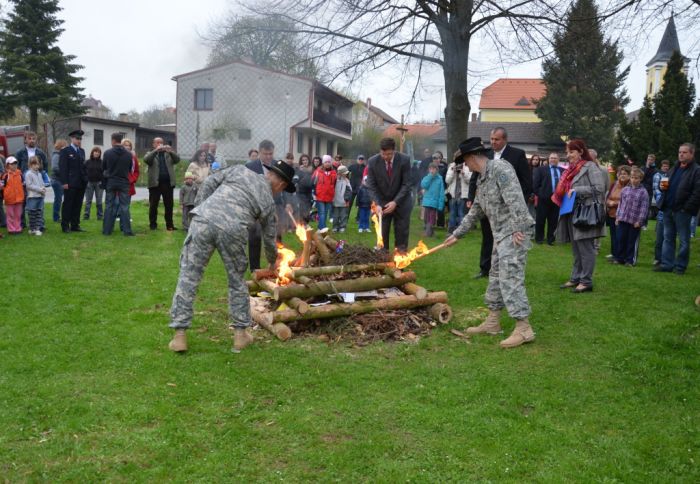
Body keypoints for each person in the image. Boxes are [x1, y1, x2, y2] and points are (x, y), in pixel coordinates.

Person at [168, 160, 295, 354]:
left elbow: (210, 182)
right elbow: (269, 238)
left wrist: (201, 208)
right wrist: (272, 263)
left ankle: (179, 336)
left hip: (202, 222)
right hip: (233, 231)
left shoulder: (239, 170)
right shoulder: (268, 202)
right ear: (281, 184)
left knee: (189, 276)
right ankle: (240, 336)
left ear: (270, 174)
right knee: (236, 282)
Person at [444, 137, 535, 349]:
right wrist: (457, 234)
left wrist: (518, 228)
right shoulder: (483, 179)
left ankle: (524, 328)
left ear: (472, 157)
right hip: (500, 235)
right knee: (495, 276)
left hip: (514, 233)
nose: (465, 166)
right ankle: (493, 322)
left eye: (465, 161)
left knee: (510, 277)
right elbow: (476, 210)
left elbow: (516, 199)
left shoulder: (500, 169)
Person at [467, 127, 531, 278]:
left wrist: (517, 205)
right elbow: (474, 178)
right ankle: (485, 268)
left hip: (507, 207)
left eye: (497, 139)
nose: (493, 142)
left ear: (505, 140)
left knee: (505, 239)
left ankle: (505, 269)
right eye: (492, 139)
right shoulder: (486, 154)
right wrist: (471, 198)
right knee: (487, 236)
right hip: (487, 205)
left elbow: (526, 182)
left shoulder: (517, 155)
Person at [553, 139, 606, 293]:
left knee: (586, 248)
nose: (568, 155)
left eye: (571, 152)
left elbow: (599, 188)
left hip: (586, 213)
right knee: (576, 249)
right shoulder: (570, 169)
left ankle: (586, 281)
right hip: (572, 211)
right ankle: (576, 278)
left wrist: (578, 190)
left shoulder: (590, 167)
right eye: (567, 152)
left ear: (581, 152)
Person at [245, 139, 292, 267]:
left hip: (275, 206)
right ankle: (255, 268)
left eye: (271, 154)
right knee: (254, 237)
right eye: (265, 154)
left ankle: (277, 265)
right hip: (256, 208)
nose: (268, 157)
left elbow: (286, 186)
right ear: (259, 152)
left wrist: (287, 203)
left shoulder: (279, 165)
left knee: (276, 236)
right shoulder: (250, 167)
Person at [654, 143, 700, 275]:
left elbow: (697, 193)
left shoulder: (696, 170)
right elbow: (664, 181)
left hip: (682, 211)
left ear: (692, 154)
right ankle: (667, 265)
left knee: (684, 240)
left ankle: (680, 266)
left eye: (684, 152)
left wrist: (686, 208)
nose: (681, 154)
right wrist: (662, 186)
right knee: (668, 238)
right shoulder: (674, 168)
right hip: (668, 208)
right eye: (680, 152)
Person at [365, 137, 413, 252]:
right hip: (382, 202)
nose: (386, 157)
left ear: (394, 150)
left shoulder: (404, 160)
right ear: (380, 151)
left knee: (401, 232)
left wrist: (395, 202)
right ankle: (383, 258)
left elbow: (407, 184)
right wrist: (377, 204)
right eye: (383, 154)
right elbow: (371, 185)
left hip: (401, 203)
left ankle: (400, 259)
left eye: (389, 154)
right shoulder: (372, 162)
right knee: (382, 232)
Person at [612, 166, 649, 266]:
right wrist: (618, 217)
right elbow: (621, 204)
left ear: (640, 179)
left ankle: (630, 260)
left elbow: (644, 208)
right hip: (623, 218)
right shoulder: (625, 190)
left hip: (634, 221)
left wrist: (640, 221)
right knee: (621, 239)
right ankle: (620, 258)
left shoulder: (643, 192)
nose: (633, 180)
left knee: (631, 241)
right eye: (632, 177)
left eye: (636, 178)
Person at [143, 137, 181, 231]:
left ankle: (170, 225)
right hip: (155, 184)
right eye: (158, 142)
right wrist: (156, 151)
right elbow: (147, 160)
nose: (160, 144)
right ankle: (153, 225)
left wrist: (170, 151)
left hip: (168, 183)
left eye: (161, 142)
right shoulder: (150, 153)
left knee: (169, 205)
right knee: (153, 205)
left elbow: (177, 160)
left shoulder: (168, 154)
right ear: (154, 144)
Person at [102, 133, 134, 236]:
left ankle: (107, 230)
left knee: (109, 206)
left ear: (113, 140)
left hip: (111, 181)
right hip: (124, 182)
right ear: (121, 140)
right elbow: (130, 169)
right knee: (125, 207)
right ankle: (127, 231)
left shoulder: (107, 153)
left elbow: (104, 168)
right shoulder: (129, 154)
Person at [59, 130, 88, 233]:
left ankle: (75, 225)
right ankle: (65, 225)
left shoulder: (82, 151)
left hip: (81, 182)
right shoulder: (65, 151)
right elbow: (63, 168)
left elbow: (83, 167)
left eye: (80, 139)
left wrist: (86, 178)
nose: (79, 140)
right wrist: (64, 182)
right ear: (72, 138)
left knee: (78, 204)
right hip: (70, 182)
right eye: (77, 138)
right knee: (68, 204)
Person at [532, 152, 564, 245]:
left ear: (558, 160)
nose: (553, 159)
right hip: (544, 199)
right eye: (551, 158)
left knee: (553, 221)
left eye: (555, 158)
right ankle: (539, 239)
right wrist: (541, 195)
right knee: (540, 220)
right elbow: (535, 185)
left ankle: (551, 239)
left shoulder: (562, 171)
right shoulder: (541, 170)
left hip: (557, 200)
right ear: (548, 159)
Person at [605, 166, 631, 259]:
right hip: (612, 214)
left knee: (621, 236)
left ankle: (621, 256)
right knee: (613, 235)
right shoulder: (614, 184)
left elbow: (628, 201)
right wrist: (608, 202)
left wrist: (614, 203)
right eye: (620, 173)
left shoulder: (630, 186)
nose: (622, 175)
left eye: (625, 174)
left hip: (624, 215)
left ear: (629, 175)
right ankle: (614, 253)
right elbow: (608, 197)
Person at [445, 153, 471, 234]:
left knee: (461, 213)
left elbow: (470, 180)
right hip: (453, 194)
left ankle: (461, 232)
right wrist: (453, 171)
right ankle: (451, 230)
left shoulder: (467, 166)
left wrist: (463, 173)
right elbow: (447, 180)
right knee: (452, 213)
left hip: (463, 195)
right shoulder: (452, 166)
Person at [652, 160, 671, 265]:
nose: (666, 168)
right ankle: (658, 258)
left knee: (668, 238)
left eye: (667, 166)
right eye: (664, 166)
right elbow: (659, 191)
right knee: (660, 238)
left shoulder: (668, 177)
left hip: (670, 212)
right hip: (662, 211)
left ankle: (666, 259)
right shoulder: (662, 177)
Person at [312, 155, 336, 230]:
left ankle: (321, 226)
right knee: (321, 213)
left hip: (329, 196)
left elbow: (335, 184)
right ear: (323, 163)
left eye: (329, 162)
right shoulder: (318, 172)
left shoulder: (334, 173)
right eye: (326, 162)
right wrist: (314, 192)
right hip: (320, 196)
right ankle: (322, 228)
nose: (327, 163)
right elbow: (313, 182)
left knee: (325, 213)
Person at [421, 163, 445, 237]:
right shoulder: (426, 177)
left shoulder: (440, 179)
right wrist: (430, 177)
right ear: (428, 170)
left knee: (432, 218)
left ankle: (428, 233)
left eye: (434, 169)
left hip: (434, 202)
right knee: (426, 218)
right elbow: (423, 185)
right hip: (427, 202)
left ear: (437, 170)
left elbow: (441, 192)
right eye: (430, 169)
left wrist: (441, 204)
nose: (432, 170)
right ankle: (430, 232)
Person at [1, 157, 24, 235]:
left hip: (19, 199)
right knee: (10, 215)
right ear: (7, 165)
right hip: (9, 199)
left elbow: (23, 184)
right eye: (12, 164)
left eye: (15, 163)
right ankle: (11, 229)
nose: (14, 165)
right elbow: (2, 186)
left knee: (18, 215)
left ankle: (17, 228)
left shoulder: (20, 174)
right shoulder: (5, 176)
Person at [25, 157, 46, 235]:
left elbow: (42, 183)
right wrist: (40, 189)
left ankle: (37, 228)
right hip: (32, 197)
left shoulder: (39, 174)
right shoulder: (28, 174)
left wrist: (43, 189)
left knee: (39, 213)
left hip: (40, 197)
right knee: (32, 213)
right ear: (30, 165)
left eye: (37, 164)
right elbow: (29, 186)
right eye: (34, 164)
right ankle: (32, 228)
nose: (36, 166)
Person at [83, 147, 104, 220]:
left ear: (100, 154)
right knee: (88, 200)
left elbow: (105, 172)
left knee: (99, 200)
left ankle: (100, 216)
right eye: (95, 151)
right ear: (92, 152)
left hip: (99, 183)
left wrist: (103, 181)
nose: (97, 153)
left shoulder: (102, 162)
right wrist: (86, 180)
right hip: (89, 183)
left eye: (98, 152)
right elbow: (83, 172)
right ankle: (86, 215)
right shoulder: (87, 162)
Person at [49, 139, 67, 223]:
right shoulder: (56, 155)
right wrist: (64, 172)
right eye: (65, 146)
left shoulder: (61, 155)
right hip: (56, 180)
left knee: (59, 199)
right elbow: (55, 168)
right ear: (61, 146)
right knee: (58, 199)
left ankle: (58, 216)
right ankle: (56, 217)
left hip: (60, 180)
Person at [295, 154, 314, 223]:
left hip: (309, 192)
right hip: (300, 192)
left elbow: (313, 180)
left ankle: (306, 223)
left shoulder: (312, 169)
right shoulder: (298, 169)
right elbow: (295, 179)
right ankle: (301, 225)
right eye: (303, 160)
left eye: (306, 160)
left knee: (308, 208)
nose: (304, 161)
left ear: (308, 160)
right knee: (302, 208)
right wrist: (300, 171)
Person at [332, 165, 352, 232]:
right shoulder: (335, 180)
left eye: (346, 174)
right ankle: (335, 227)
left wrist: (347, 199)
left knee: (343, 216)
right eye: (344, 173)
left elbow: (349, 191)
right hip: (335, 201)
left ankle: (342, 227)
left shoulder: (347, 181)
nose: (346, 175)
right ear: (340, 173)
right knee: (336, 216)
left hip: (344, 202)